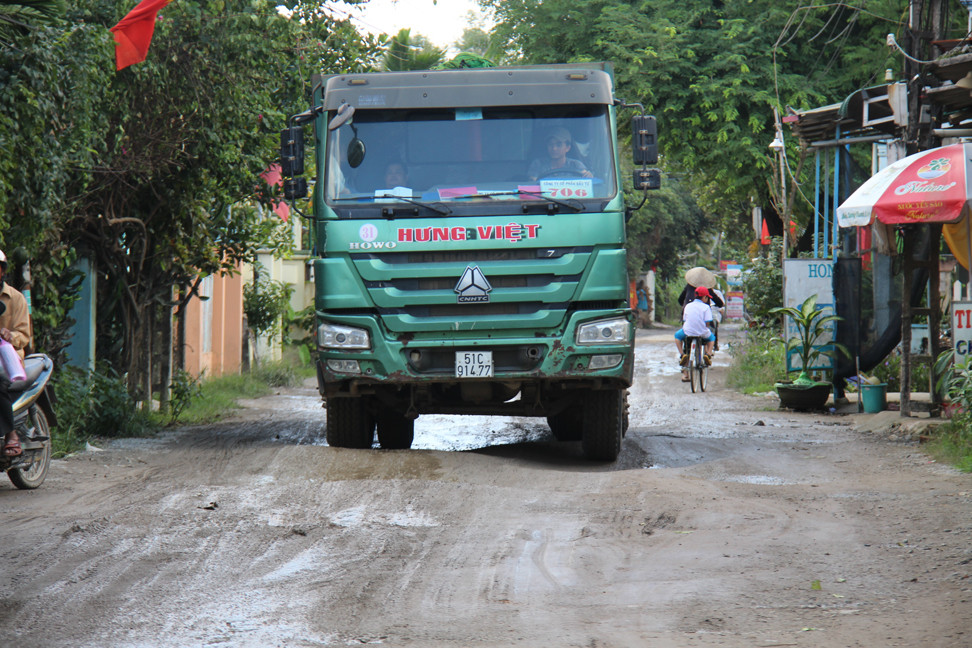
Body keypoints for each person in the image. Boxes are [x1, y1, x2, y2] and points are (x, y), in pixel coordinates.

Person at [0, 249, 32, 457]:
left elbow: (24, 334)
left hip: (8, 357)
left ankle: (12, 434)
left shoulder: (16, 298)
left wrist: (9, 335)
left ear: (2, 271)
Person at [675, 286, 715, 382]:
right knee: (712, 338)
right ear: (705, 297)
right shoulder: (706, 307)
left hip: (687, 331)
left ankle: (682, 354)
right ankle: (708, 354)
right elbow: (708, 322)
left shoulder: (688, 306)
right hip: (702, 332)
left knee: (677, 336)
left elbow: (685, 319)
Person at [527, 127, 593, 181]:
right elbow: (532, 183)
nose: (554, 148)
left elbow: (587, 181)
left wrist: (588, 176)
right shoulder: (538, 164)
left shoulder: (576, 165)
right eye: (550, 144)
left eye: (559, 145)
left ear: (568, 148)